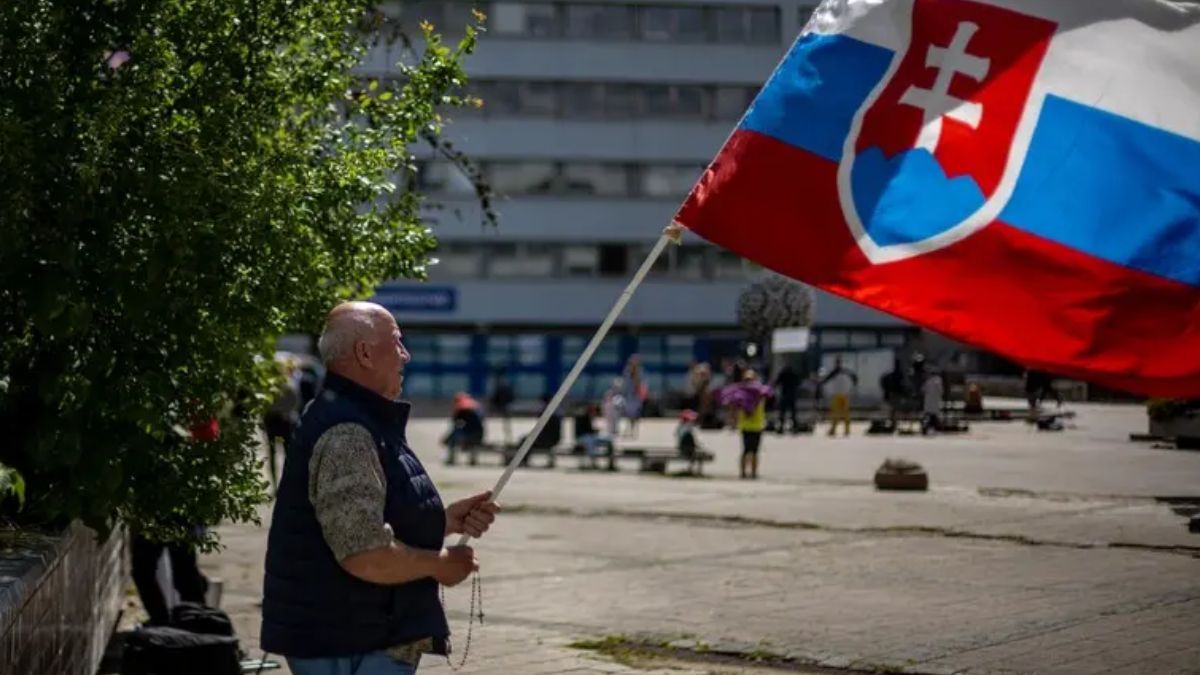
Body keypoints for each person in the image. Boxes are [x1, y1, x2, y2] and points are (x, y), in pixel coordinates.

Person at [261, 302, 501, 675]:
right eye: (397, 342)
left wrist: (441, 522)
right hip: (351, 641)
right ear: (364, 353)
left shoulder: (356, 415)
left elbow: (361, 517)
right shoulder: (347, 432)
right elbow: (364, 553)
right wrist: (441, 565)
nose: (405, 355)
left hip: (356, 634)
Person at [263, 357, 301, 492]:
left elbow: (264, 405)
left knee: (273, 454)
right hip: (285, 421)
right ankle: (286, 485)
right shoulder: (288, 383)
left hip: (272, 420)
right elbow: (295, 402)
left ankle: (276, 486)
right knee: (287, 455)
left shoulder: (268, 385)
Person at [734, 370, 770, 479]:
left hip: (754, 425)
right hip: (749, 426)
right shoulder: (757, 393)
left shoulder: (742, 394)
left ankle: (752, 473)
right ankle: (745, 473)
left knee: (752, 451)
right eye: (747, 379)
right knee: (748, 451)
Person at [443, 392, 485, 466]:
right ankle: (473, 459)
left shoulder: (461, 406)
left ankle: (451, 459)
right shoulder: (475, 405)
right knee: (472, 440)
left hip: (468, 434)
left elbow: (455, 423)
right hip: (479, 433)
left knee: (452, 440)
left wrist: (448, 437)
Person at [822, 357, 857, 437]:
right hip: (844, 394)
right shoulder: (847, 371)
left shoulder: (834, 372)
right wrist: (851, 388)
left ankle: (834, 430)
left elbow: (825, 381)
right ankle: (846, 430)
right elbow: (855, 378)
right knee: (845, 413)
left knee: (836, 413)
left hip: (837, 395)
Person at [573, 402, 613, 470]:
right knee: (590, 442)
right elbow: (585, 430)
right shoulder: (583, 416)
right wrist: (594, 431)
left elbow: (590, 430)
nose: (594, 412)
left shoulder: (589, 416)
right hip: (582, 437)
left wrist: (595, 431)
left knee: (609, 439)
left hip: (589, 436)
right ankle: (593, 463)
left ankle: (611, 463)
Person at [772, 362, 801, 434]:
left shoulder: (783, 373)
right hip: (792, 395)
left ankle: (781, 428)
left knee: (782, 413)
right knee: (793, 413)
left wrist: (773, 387)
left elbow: (777, 382)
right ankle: (795, 428)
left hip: (784, 394)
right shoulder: (794, 373)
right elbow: (798, 383)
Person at [622, 354, 647, 439]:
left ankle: (634, 431)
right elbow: (625, 383)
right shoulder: (627, 371)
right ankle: (628, 430)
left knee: (635, 415)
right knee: (628, 414)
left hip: (636, 396)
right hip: (629, 396)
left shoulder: (640, 372)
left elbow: (641, 384)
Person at [489, 369, 515, 445]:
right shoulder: (505, 384)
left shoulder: (499, 384)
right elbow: (511, 397)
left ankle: (506, 439)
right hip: (503, 406)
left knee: (503, 424)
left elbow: (495, 397)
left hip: (501, 407)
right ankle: (507, 439)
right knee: (504, 424)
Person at [675, 409, 704, 475]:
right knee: (697, 455)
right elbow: (690, 441)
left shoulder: (680, 427)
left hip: (682, 448)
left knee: (695, 454)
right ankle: (693, 469)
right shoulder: (688, 427)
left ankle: (690, 469)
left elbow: (678, 437)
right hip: (686, 449)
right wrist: (697, 445)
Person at [922, 368, 945, 434]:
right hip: (934, 401)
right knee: (933, 415)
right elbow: (941, 391)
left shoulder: (929, 380)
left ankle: (928, 427)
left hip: (929, 401)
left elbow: (923, 389)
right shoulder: (938, 380)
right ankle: (934, 427)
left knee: (930, 415)